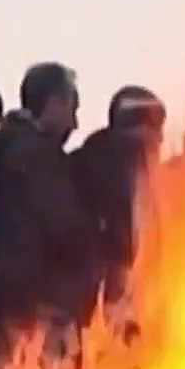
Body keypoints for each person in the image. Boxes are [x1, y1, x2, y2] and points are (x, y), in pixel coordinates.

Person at [0, 62, 97, 361]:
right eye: (72, 109)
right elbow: (65, 226)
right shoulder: (37, 157)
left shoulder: (7, 148)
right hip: (39, 301)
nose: (75, 123)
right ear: (55, 102)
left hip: (10, 298)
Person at [72, 86, 166, 306]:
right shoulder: (110, 175)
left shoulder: (88, 164)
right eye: (156, 127)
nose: (161, 138)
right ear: (138, 127)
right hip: (107, 300)